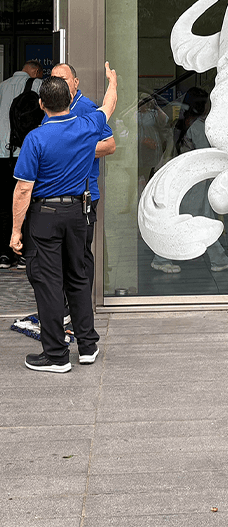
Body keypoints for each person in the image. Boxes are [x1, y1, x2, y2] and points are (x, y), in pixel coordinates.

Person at [10, 63, 117, 373]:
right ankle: (87, 346)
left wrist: (16, 231)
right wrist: (112, 80)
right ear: (71, 99)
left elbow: (22, 191)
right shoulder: (87, 125)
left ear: (42, 104)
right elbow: (109, 104)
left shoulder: (36, 139)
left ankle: (56, 355)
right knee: (79, 277)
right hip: (78, 213)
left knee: (48, 283)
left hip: (45, 215)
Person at [151, 88, 228, 273]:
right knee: (200, 217)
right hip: (194, 180)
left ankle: (166, 256)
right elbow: (207, 154)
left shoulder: (181, 122)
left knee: (191, 216)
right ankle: (164, 257)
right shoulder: (198, 127)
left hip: (180, 177)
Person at [49, 64, 116, 292]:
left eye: (64, 79)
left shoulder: (86, 108)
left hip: (83, 196)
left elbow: (109, 145)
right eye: (54, 79)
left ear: (76, 83)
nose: (58, 83)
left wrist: (75, 148)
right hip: (56, 197)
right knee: (61, 257)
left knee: (80, 257)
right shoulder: (52, 108)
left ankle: (81, 312)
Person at [0, 60, 43, 268]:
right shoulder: (37, 86)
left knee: (4, 205)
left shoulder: (1, 86)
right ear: (35, 71)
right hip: (26, 154)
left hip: (1, 156)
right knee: (29, 202)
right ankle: (25, 252)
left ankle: (4, 254)